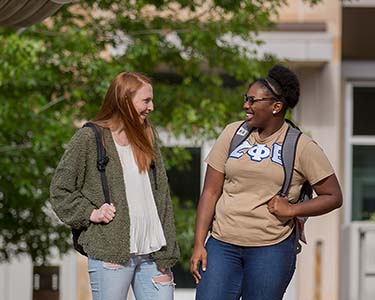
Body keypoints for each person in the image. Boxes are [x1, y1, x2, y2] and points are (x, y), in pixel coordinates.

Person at [190, 64, 343, 300]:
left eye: (253, 100)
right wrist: (199, 243)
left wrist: (292, 209)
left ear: (276, 106)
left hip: (271, 248)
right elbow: (210, 192)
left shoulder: (301, 146)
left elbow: (333, 196)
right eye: (246, 99)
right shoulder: (233, 134)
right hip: (222, 245)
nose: (245, 105)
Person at [50, 72, 180, 300]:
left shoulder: (148, 135)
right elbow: (60, 190)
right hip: (111, 251)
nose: (152, 107)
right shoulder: (90, 138)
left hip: (153, 253)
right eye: (146, 100)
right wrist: (91, 213)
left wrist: (168, 251)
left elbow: (163, 196)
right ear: (124, 100)